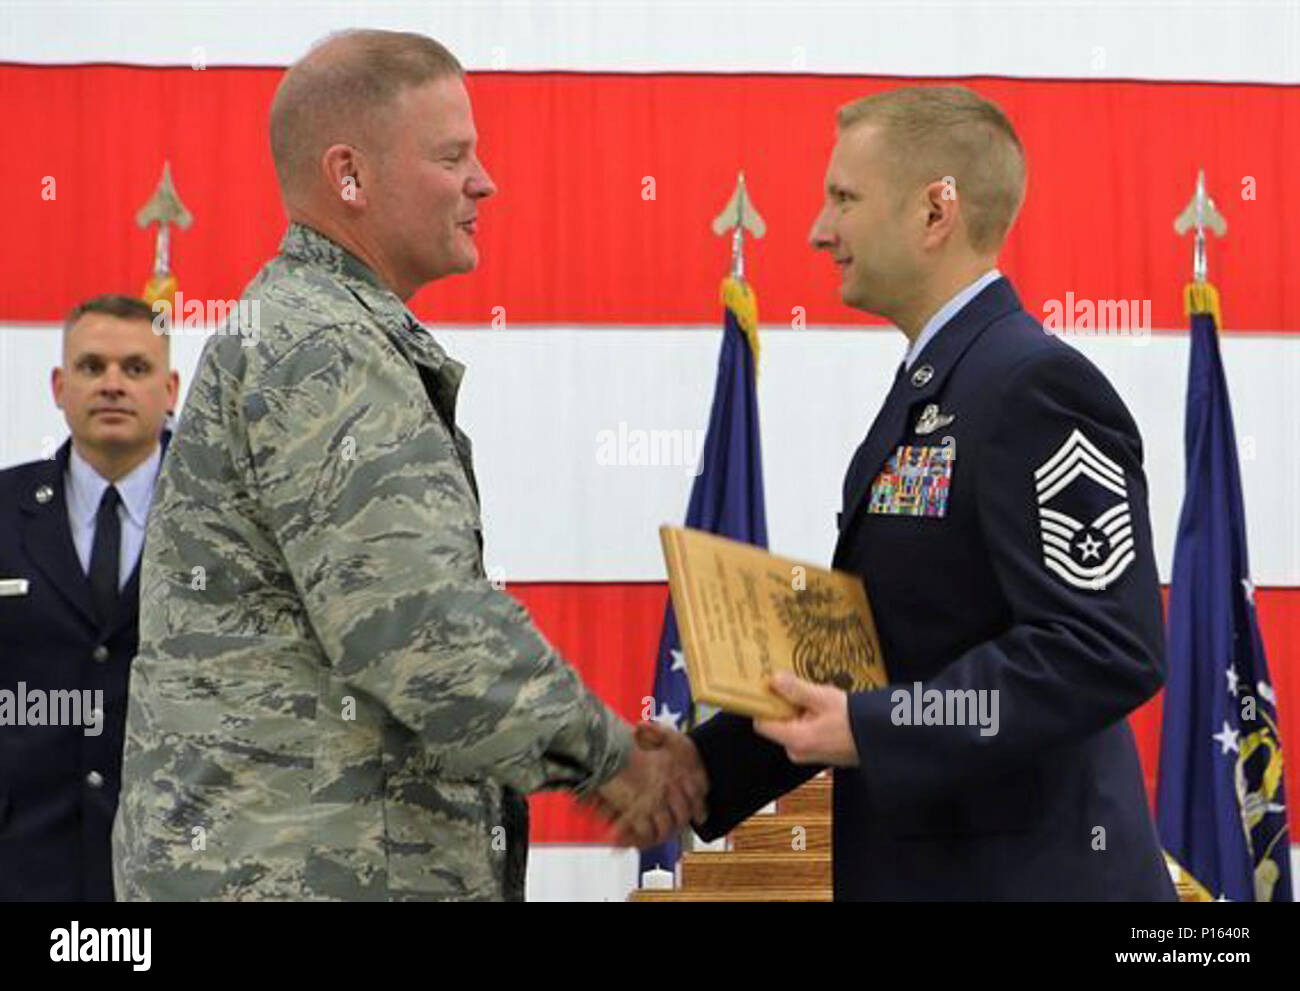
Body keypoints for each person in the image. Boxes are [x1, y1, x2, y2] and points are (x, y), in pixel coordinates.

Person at [111, 29, 702, 902]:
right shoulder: (325, 346)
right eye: (453, 154)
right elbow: (417, 623)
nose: (484, 181)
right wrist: (612, 759)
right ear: (349, 174)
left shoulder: (314, 328)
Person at [637, 86, 1175, 900]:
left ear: (935, 213)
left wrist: (874, 727)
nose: (820, 230)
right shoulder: (939, 388)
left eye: (844, 198)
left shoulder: (1035, 388)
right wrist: (706, 767)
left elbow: (1102, 647)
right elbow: (880, 655)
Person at [0, 294, 177, 900]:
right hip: (25, 864)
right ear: (58, 384)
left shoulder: (219, 520)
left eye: (135, 368)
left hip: (173, 863)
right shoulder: (3, 510)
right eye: (91, 366)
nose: (111, 385)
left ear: (171, 388)